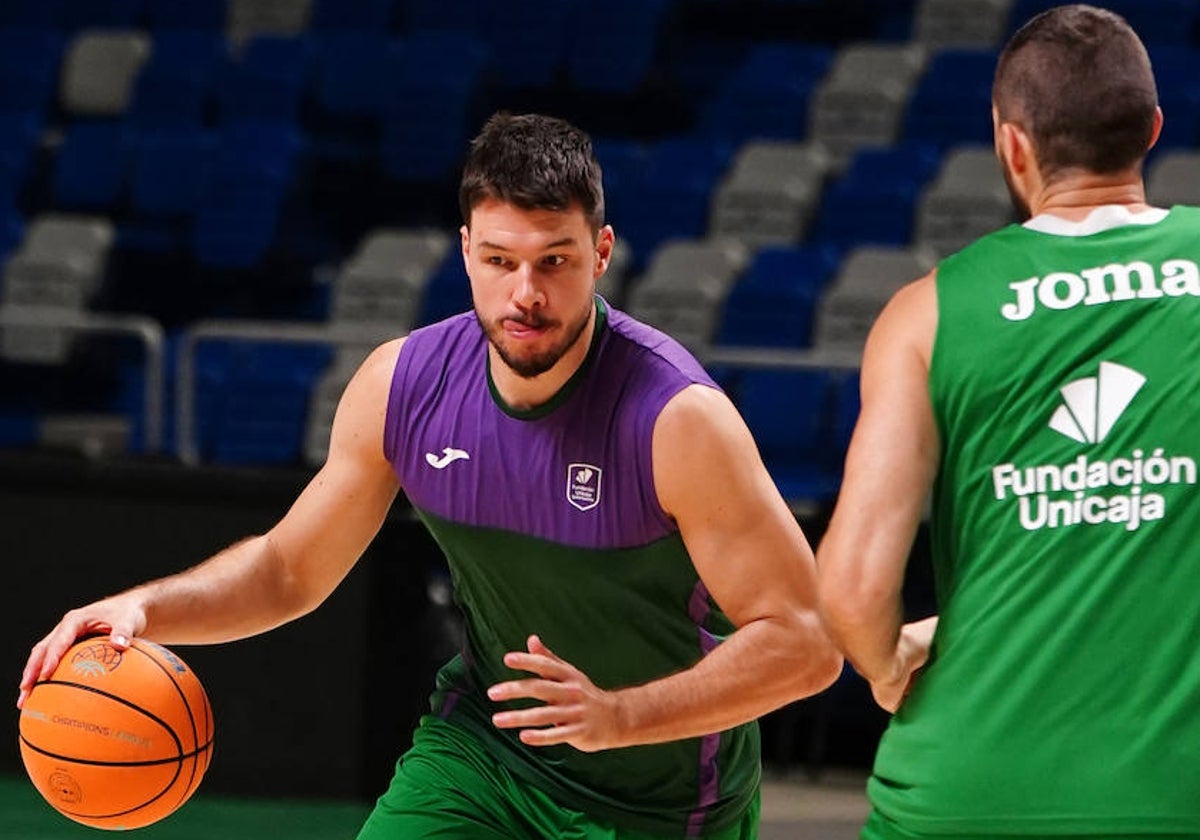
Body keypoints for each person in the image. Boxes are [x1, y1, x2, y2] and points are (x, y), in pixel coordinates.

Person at [19, 112, 842, 839]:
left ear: (601, 253)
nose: (526, 293)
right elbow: (288, 570)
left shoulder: (677, 420)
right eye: (499, 260)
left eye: (555, 260)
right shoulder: (403, 385)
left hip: (663, 800)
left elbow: (806, 645)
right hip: (483, 756)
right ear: (465, 254)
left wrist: (619, 716)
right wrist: (145, 607)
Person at [817, 5, 1200, 838]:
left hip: (963, 798)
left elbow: (851, 587)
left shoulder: (925, 314)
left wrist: (890, 664)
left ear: (1012, 147)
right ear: (1152, 131)